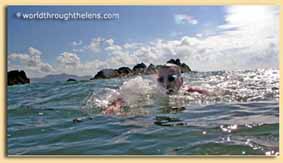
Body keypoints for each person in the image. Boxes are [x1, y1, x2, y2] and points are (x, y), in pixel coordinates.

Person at [103, 63, 212, 115]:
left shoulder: (191, 91)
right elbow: (127, 95)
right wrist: (115, 106)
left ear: (181, 81)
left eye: (171, 78)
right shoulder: (151, 91)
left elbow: (211, 94)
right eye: (161, 79)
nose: (165, 83)